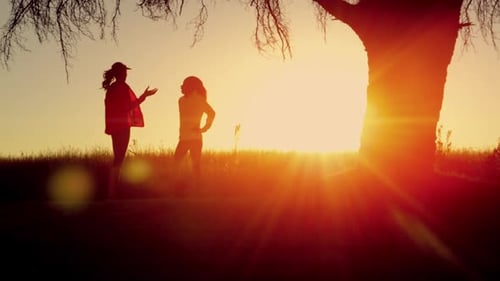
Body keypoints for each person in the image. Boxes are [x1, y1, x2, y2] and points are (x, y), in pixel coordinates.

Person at [102, 62, 158, 198]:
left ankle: (112, 191)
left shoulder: (111, 89)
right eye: (125, 73)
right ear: (122, 74)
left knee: (118, 157)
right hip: (123, 125)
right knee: (119, 159)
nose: (126, 75)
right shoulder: (122, 87)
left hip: (114, 125)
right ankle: (113, 191)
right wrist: (144, 97)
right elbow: (128, 106)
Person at [174, 76, 215, 179]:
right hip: (183, 138)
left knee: (195, 166)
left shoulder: (199, 100)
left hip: (195, 138)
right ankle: (179, 187)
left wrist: (204, 128)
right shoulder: (181, 100)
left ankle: (197, 190)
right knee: (176, 163)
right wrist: (204, 128)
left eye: (184, 85)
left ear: (190, 87)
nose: (181, 86)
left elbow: (212, 113)